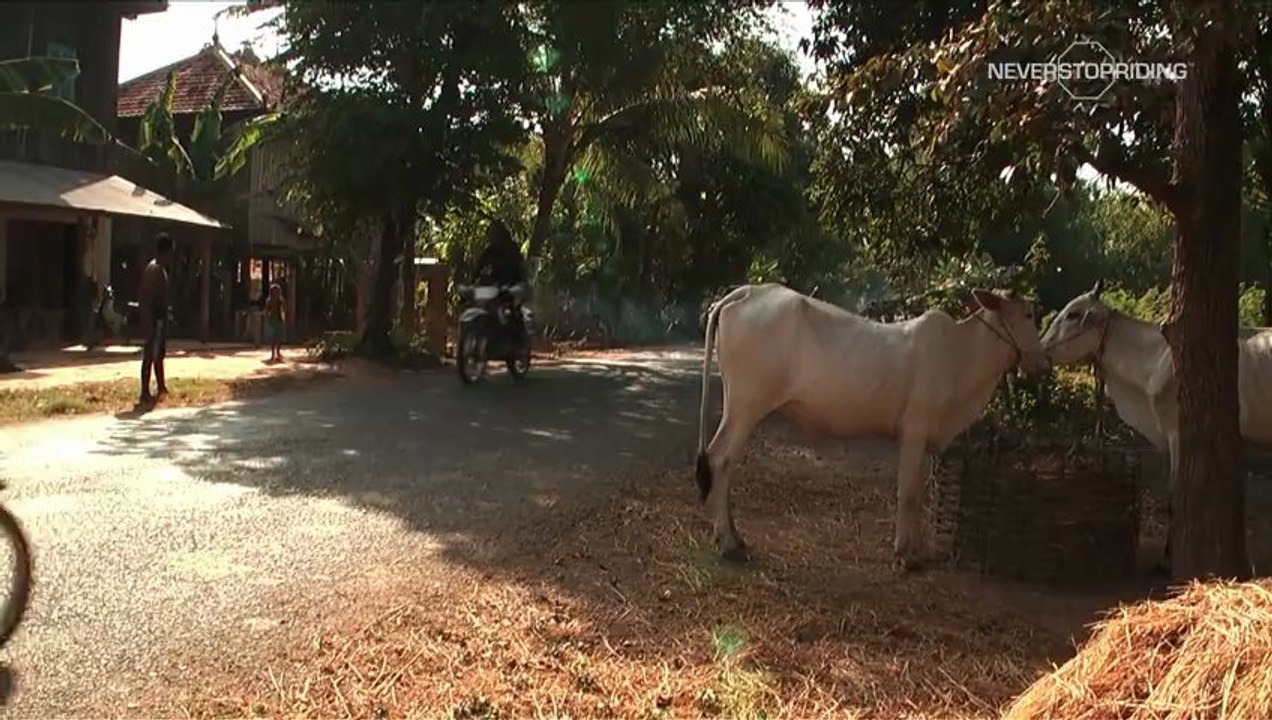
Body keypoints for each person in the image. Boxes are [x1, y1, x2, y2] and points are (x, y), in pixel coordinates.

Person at [138, 233, 173, 406]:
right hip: (154, 317)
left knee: (158, 354)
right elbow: (148, 298)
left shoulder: (159, 269)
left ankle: (161, 386)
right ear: (164, 252)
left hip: (159, 316)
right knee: (150, 354)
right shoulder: (154, 269)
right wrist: (150, 322)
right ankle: (144, 390)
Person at [264, 282, 286, 363]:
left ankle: (278, 352)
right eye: (274, 291)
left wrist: (284, 317)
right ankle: (273, 354)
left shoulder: (281, 300)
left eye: (277, 291)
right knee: (273, 338)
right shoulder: (269, 301)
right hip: (272, 320)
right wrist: (267, 319)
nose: (276, 293)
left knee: (279, 337)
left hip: (279, 319)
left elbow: (283, 309)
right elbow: (266, 310)